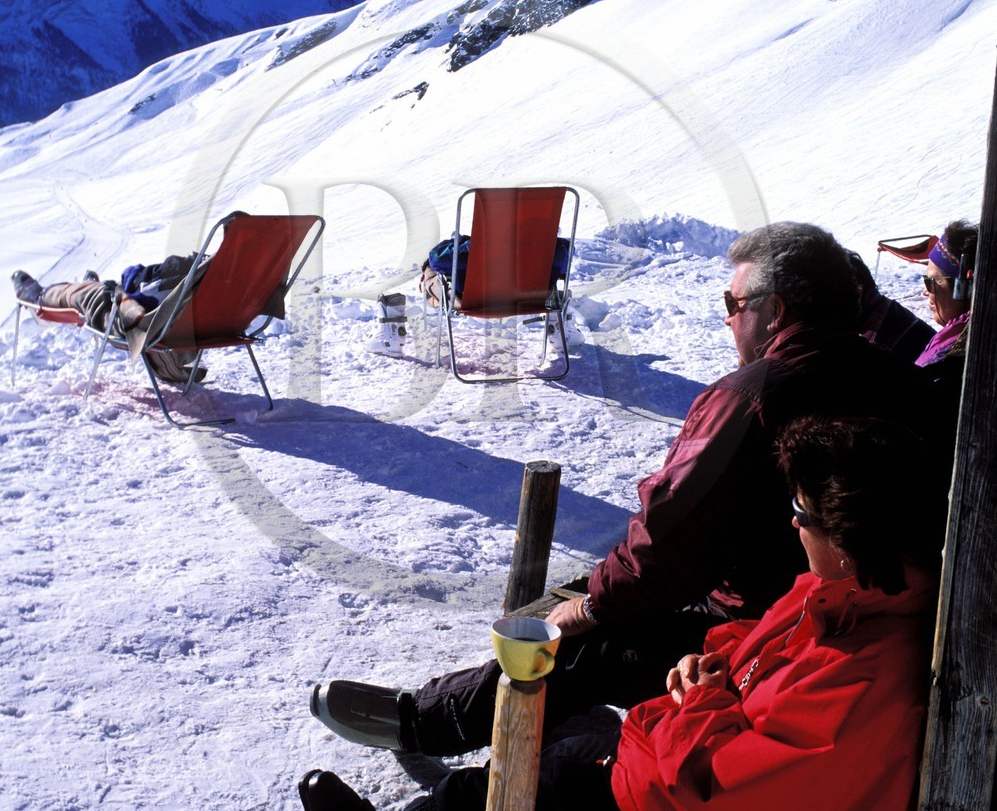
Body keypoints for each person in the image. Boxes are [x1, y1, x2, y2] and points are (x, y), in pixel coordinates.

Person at [186, 416, 937, 811]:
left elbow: (738, 798)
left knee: (498, 802)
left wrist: (702, 704)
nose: (791, 524)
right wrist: (707, 663)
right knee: (553, 752)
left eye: (801, 514)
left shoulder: (870, 681)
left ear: (848, 535)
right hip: (686, 806)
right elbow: (756, 645)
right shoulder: (849, 595)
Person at [312, 222, 943, 758]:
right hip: (865, 618)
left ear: (774, 310)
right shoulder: (907, 384)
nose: (728, 318)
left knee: (580, 642)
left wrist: (591, 608)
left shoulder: (751, 398)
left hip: (767, 628)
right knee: (597, 594)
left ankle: (427, 723)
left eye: (733, 303)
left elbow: (669, 542)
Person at [11, 252, 209, 385]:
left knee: (94, 294)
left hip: (133, 320)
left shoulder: (197, 270)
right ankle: (89, 286)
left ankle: (40, 298)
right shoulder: (218, 281)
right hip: (176, 327)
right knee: (106, 289)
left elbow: (136, 283)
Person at [915, 220, 976, 439]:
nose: (926, 292)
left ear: (964, 288)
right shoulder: (956, 337)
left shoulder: (955, 359)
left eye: (931, 282)